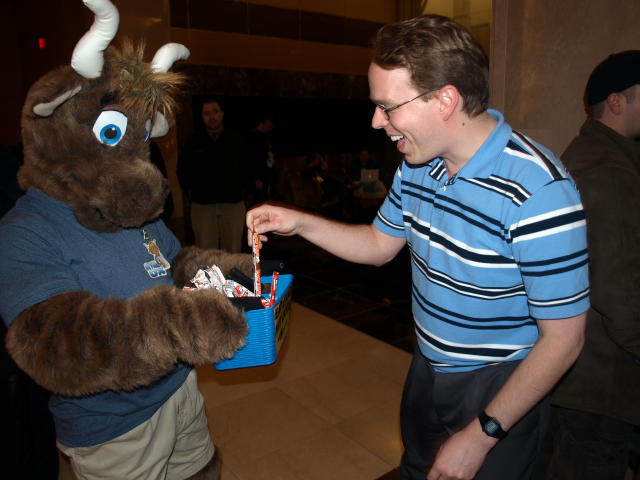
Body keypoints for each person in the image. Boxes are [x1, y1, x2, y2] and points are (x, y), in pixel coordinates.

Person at [247, 14, 589, 480]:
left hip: (499, 385)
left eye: (388, 107)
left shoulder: (540, 192)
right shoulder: (417, 166)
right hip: (427, 368)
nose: (376, 121)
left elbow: (564, 340)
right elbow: (377, 244)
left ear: (446, 100)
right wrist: (300, 221)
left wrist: (482, 432)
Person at [538, 50, 640, 480]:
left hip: (581, 380)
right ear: (617, 102)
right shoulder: (609, 172)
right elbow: (622, 297)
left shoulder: (589, 156)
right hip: (600, 385)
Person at [177, 97, 251, 252]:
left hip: (233, 205)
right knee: (206, 253)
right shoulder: (193, 142)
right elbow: (182, 171)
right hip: (203, 207)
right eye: (207, 113)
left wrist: (242, 190)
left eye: (215, 112)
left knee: (232, 252)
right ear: (202, 116)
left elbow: (248, 168)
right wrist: (192, 193)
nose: (212, 117)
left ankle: (231, 278)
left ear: (222, 114)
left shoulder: (237, 140)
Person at [246, 113, 276, 205]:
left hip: (265, 178)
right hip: (257, 181)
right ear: (261, 123)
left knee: (264, 203)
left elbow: (268, 157)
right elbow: (250, 159)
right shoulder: (252, 137)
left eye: (271, 127)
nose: (270, 128)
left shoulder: (265, 138)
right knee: (256, 205)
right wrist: (256, 179)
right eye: (268, 126)